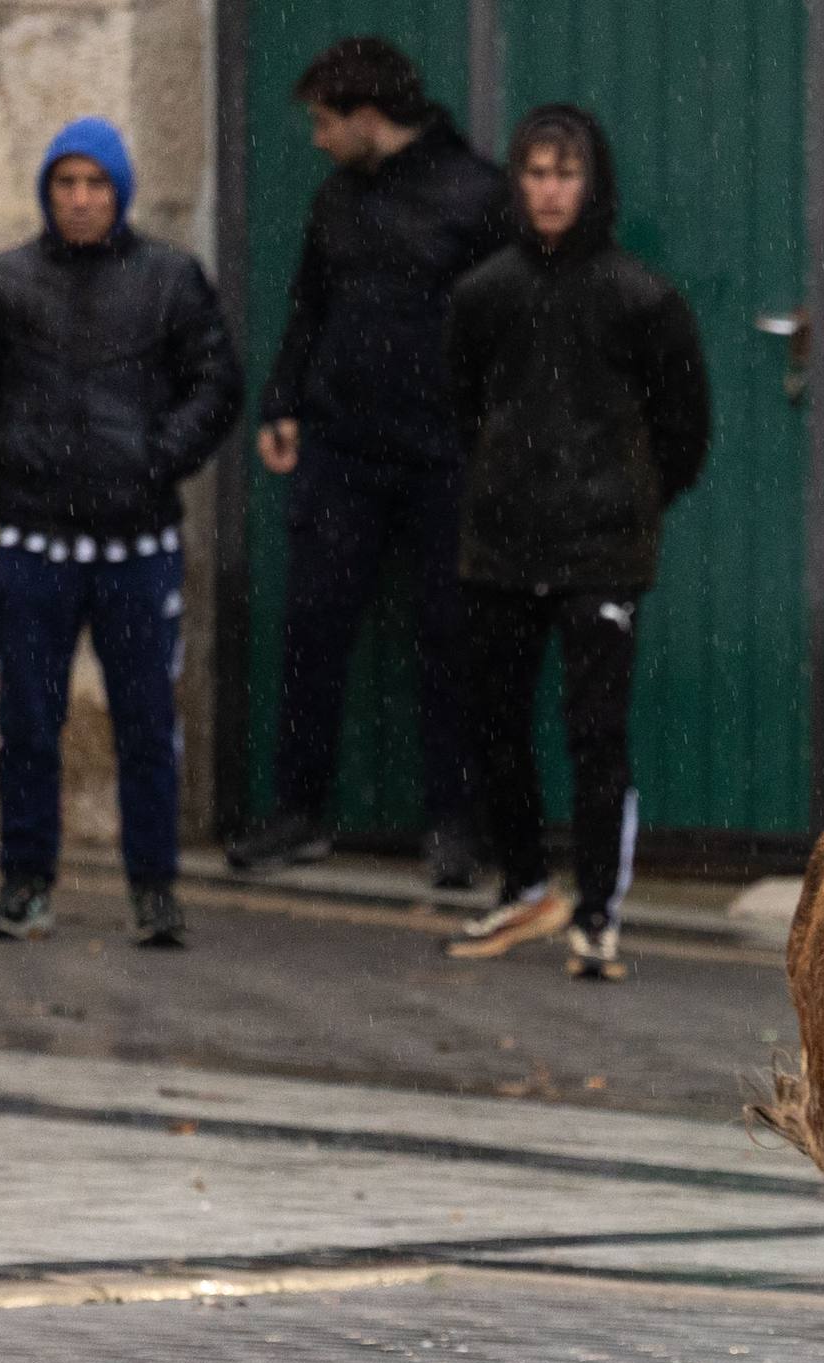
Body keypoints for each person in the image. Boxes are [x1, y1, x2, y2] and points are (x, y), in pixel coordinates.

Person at [0, 117, 241, 949]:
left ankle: (154, 891)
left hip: (138, 550)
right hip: (33, 547)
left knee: (145, 730)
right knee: (26, 723)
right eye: (66, 183)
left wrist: (158, 458)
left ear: (119, 191)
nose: (81, 200)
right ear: (45, 191)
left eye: (96, 184)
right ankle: (24, 885)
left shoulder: (170, 279)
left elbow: (217, 383)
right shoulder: (5, 282)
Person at [442, 103, 709, 983]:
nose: (550, 190)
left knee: (596, 735)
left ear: (591, 185)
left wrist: (627, 502)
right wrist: (504, 489)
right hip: (503, 548)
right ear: (516, 184)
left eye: (565, 173)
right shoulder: (483, 296)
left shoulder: (643, 299)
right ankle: (526, 885)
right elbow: (461, 408)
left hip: (602, 553)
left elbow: (684, 429)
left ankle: (597, 913)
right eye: (535, 172)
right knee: (495, 722)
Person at [232, 36, 508, 885]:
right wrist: (281, 401)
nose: (316, 138)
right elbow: (309, 308)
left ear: (366, 116)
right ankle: (298, 813)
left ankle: (456, 827)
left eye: (323, 121)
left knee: (449, 641)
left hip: (442, 459)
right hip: (344, 453)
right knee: (313, 630)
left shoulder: (475, 195)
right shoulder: (336, 200)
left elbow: (505, 331)